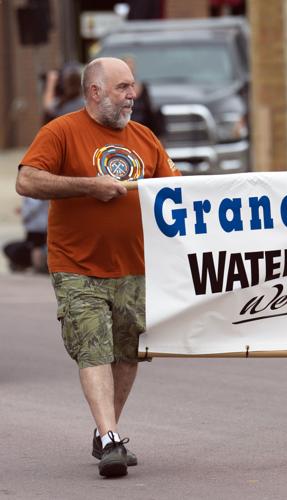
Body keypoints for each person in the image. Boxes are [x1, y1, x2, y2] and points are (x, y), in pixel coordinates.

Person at [16, 57, 180, 477]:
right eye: (123, 87)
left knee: (126, 352)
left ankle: (107, 432)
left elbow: (174, 191)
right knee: (94, 347)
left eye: (132, 86)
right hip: (77, 267)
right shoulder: (61, 132)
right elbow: (27, 180)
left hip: (134, 267)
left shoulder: (144, 138)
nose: (133, 95)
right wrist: (89, 186)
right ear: (95, 91)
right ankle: (110, 438)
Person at [121, 56, 165, 137]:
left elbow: (149, 110)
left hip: (141, 129)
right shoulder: (116, 89)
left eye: (132, 66)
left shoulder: (142, 87)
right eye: (127, 66)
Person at [2, 197, 48, 273]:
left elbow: (32, 207)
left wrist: (24, 214)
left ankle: (38, 267)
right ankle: (38, 266)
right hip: (39, 224)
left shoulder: (34, 194)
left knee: (36, 247)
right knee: (38, 246)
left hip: (36, 225)